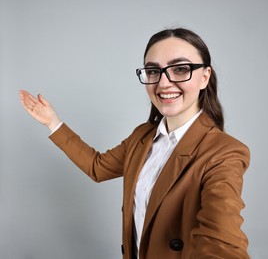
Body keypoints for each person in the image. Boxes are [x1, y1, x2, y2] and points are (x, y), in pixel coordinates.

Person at [19, 28, 250, 259]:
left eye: (180, 69)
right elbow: (97, 167)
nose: (164, 83)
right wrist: (53, 122)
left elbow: (222, 242)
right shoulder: (142, 136)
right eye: (153, 71)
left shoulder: (224, 153)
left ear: (205, 77)